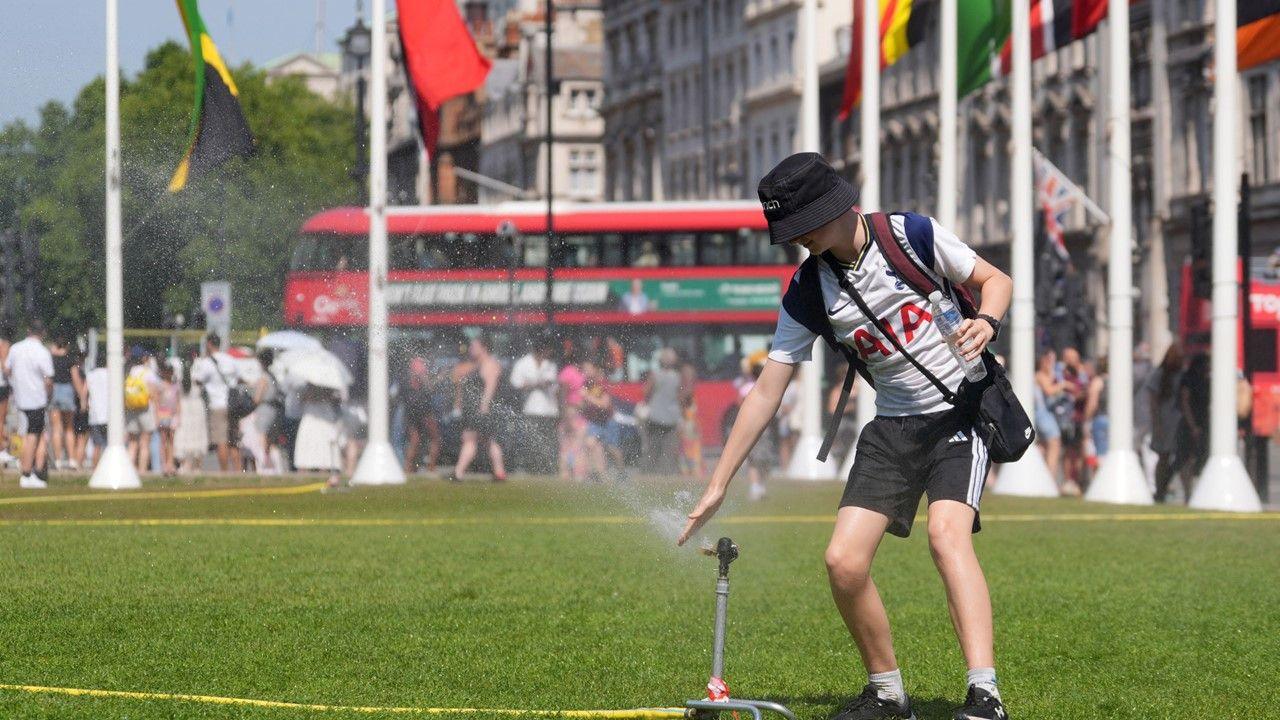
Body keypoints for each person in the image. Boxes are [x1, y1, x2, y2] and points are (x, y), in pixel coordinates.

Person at [678, 153, 1014, 720]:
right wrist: (717, 484)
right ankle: (888, 694)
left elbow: (994, 280)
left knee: (946, 536)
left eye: (803, 226)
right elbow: (767, 390)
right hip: (890, 429)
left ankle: (986, 696)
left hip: (958, 412)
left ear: (836, 208)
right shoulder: (808, 288)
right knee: (843, 561)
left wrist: (989, 319)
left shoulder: (910, 234)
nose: (799, 241)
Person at [448, 336, 508, 483]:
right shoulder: (479, 365)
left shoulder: (489, 364)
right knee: (490, 441)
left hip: (484, 409)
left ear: (484, 348)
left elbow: (490, 387)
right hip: (484, 409)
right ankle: (499, 472)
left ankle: (458, 472)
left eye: (475, 347)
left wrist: (483, 408)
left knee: (469, 438)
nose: (471, 349)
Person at [4, 321, 55, 488]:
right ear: (43, 333)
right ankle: (27, 473)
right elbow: (48, 379)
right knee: (33, 436)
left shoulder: (16, 348)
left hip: (20, 398)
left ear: (28, 331)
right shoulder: (42, 351)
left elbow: (7, 370)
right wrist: (48, 395)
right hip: (36, 399)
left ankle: (32, 472)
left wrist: (16, 382)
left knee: (29, 435)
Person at [509, 337, 559, 474]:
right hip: (530, 407)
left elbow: (551, 384)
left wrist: (532, 383)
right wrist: (535, 384)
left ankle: (547, 468)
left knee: (548, 440)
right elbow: (516, 383)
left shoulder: (550, 364)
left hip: (549, 409)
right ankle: (532, 467)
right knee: (531, 439)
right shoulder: (523, 363)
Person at [190, 334, 240, 472]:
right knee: (234, 441)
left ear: (209, 344)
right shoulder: (230, 360)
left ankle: (224, 473)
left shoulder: (206, 363)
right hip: (233, 405)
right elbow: (238, 378)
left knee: (221, 441)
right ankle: (238, 472)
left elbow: (197, 380)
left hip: (217, 405)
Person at [294, 384, 346, 485]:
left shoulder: (328, 388)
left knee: (323, 450)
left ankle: (324, 476)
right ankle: (306, 476)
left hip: (323, 418)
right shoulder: (310, 387)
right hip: (313, 417)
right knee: (309, 448)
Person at [643, 348, 683, 474]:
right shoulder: (677, 377)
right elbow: (680, 396)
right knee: (669, 446)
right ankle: (668, 471)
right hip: (672, 416)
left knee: (653, 445)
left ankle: (649, 471)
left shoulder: (655, 375)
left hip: (655, 415)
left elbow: (646, 392)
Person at [47, 336, 84, 471]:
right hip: (67, 391)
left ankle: (57, 460)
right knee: (69, 428)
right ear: (66, 346)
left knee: (56, 428)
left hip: (55, 390)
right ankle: (72, 460)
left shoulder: (51, 358)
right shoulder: (70, 359)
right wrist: (82, 397)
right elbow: (75, 378)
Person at [401, 355, 442, 474]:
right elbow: (428, 386)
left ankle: (408, 468)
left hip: (411, 407)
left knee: (414, 440)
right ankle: (431, 467)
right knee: (435, 438)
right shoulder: (420, 363)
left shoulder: (413, 362)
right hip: (423, 407)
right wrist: (437, 379)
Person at [1033, 348, 1067, 486]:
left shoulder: (1044, 374)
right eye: (1049, 360)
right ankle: (1050, 481)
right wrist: (1063, 385)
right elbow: (1049, 390)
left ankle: (1042, 479)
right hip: (1042, 414)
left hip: (1042, 414)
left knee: (1043, 447)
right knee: (1054, 443)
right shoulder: (1040, 375)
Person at [124, 348, 158, 474]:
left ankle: (129, 472)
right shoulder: (148, 373)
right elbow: (153, 394)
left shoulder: (128, 372)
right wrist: (157, 413)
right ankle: (142, 471)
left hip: (131, 409)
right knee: (144, 444)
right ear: (143, 358)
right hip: (145, 409)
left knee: (132, 443)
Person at [174, 359, 209, 473]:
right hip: (196, 405)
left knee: (183, 433)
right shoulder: (198, 368)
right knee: (198, 433)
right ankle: (197, 466)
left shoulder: (178, 370)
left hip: (184, 405)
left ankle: (184, 465)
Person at [251, 349, 283, 474]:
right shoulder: (273, 376)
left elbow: (257, 398)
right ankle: (275, 466)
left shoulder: (264, 377)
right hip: (273, 409)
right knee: (271, 440)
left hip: (264, 410)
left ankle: (264, 466)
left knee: (262, 438)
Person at [154, 362, 181, 476]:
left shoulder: (175, 386)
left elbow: (178, 402)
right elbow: (156, 401)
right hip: (163, 414)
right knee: (163, 440)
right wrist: (157, 416)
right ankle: (164, 464)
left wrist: (179, 415)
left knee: (171, 440)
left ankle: (170, 464)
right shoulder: (160, 385)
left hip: (172, 415)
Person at [1083, 356, 1109, 473]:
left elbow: (1092, 403)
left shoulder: (1098, 381)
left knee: (1100, 453)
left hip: (1100, 419)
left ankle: (1099, 481)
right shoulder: (1118, 381)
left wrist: (1086, 420)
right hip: (1115, 421)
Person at [84, 352, 109, 468]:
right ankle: (107, 467)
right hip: (109, 415)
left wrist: (84, 405)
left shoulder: (90, 375)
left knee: (97, 445)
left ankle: (95, 469)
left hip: (94, 414)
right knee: (109, 445)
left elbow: (84, 393)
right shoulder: (111, 374)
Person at [0, 328, 14, 468]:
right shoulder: (3, 344)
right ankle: (1, 449)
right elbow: (5, 367)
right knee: (1, 419)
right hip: (1, 385)